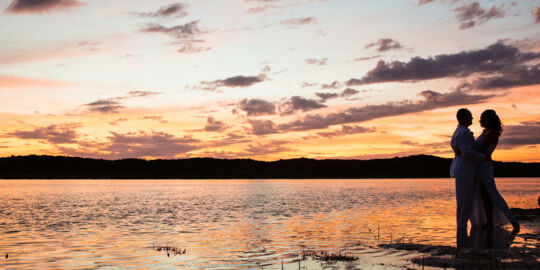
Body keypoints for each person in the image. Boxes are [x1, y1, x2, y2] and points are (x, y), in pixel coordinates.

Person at [470, 110, 520, 233]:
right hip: (480, 165)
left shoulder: (491, 134)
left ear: (489, 119)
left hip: (484, 167)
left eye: (483, 118)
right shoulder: (487, 132)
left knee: (491, 193)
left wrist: (465, 145)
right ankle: (488, 221)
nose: (480, 120)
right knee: (484, 195)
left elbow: (479, 148)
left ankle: (512, 221)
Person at [450, 108, 487, 230]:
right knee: (465, 200)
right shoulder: (464, 133)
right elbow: (467, 152)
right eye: (470, 116)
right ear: (463, 117)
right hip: (465, 169)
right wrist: (482, 157)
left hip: (463, 167)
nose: (472, 118)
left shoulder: (459, 131)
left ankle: (462, 228)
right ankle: (461, 228)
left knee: (464, 200)